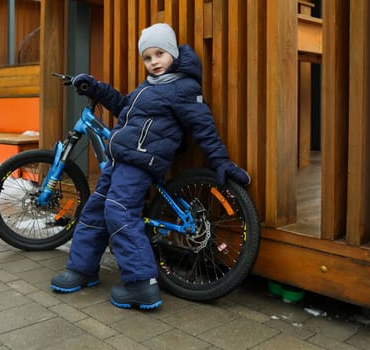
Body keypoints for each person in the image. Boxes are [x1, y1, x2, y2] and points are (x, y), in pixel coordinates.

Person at [50, 23, 250, 310]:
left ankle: (141, 283)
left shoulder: (183, 87)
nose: (154, 61)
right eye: (148, 57)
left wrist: (220, 160)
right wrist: (96, 88)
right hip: (121, 160)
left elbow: (203, 126)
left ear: (172, 53)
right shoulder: (148, 88)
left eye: (160, 54)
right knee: (96, 209)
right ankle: (82, 269)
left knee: (119, 212)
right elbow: (123, 106)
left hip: (142, 163)